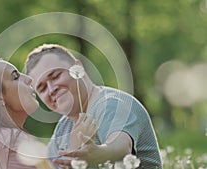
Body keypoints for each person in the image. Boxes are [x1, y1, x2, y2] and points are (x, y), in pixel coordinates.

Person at [25, 44, 162, 168]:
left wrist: (99, 154)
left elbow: (121, 148)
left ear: (78, 68)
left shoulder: (112, 104)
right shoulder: (62, 130)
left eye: (55, 76)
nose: (51, 89)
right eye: (42, 88)